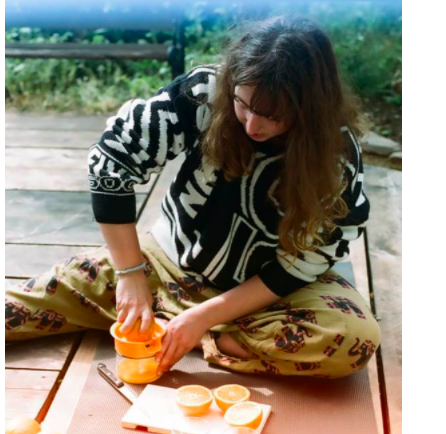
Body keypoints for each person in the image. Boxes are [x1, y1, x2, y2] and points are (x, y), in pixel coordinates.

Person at [5, 15, 380, 378]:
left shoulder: (336, 155)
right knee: (29, 301)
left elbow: (307, 260)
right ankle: (179, 324)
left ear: (310, 108)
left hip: (265, 298)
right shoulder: (204, 93)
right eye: (244, 104)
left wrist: (203, 318)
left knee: (353, 340)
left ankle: (182, 331)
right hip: (164, 268)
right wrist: (130, 274)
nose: (252, 125)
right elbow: (111, 161)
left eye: (273, 116)